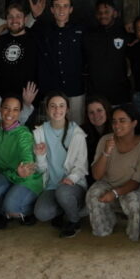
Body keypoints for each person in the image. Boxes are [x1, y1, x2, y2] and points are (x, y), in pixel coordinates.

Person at [86, 104, 140, 241]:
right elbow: (97, 176)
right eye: (114, 121)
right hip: (109, 182)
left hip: (135, 185)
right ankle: (104, 228)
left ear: (134, 123)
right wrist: (106, 152)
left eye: (122, 121)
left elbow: (136, 182)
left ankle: (134, 233)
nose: (117, 125)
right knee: (92, 195)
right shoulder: (105, 140)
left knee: (134, 203)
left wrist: (115, 193)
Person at [32, 91, 89, 238]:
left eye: (61, 106)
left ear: (67, 109)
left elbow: (82, 166)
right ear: (47, 109)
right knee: (41, 213)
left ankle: (74, 221)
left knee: (63, 192)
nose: (57, 110)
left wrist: (71, 178)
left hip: (72, 186)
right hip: (52, 185)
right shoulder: (40, 132)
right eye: (53, 106)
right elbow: (41, 169)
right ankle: (65, 210)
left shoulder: (77, 133)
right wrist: (40, 156)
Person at [0, 94, 40, 227]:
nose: (10, 113)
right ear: (0, 109)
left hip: (26, 179)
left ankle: (28, 211)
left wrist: (23, 170)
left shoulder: (23, 134)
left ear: (20, 113)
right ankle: (4, 213)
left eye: (15, 110)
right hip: (7, 176)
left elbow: (27, 160)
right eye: (6, 108)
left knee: (11, 207)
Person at [29, 0, 86, 123]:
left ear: (71, 9)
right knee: (48, 130)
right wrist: (33, 16)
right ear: (52, 9)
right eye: (57, 6)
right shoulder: (42, 30)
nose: (61, 9)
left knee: (75, 128)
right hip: (50, 92)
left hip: (75, 91)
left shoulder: (81, 30)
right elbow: (21, 29)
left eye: (65, 6)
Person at [83, 0, 131, 105]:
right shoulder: (88, 36)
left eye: (106, 12)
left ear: (115, 13)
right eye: (99, 13)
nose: (103, 15)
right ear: (96, 15)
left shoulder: (125, 34)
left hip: (120, 93)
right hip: (96, 94)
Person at [0, 3, 39, 100]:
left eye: (18, 16)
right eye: (10, 17)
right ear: (6, 20)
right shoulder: (0, 40)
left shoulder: (35, 39)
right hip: (2, 97)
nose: (14, 20)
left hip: (27, 97)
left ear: (25, 19)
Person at [81, 96, 113, 168]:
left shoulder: (117, 129)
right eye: (91, 112)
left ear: (106, 111)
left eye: (99, 110)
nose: (96, 115)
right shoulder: (81, 132)